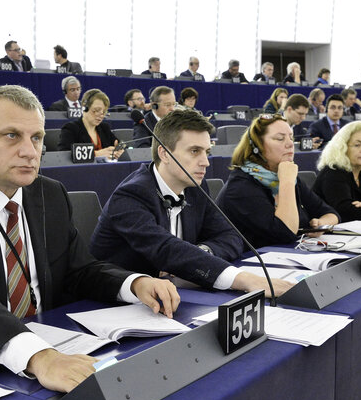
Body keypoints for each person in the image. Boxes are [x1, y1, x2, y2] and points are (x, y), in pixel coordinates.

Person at [0, 84, 180, 393]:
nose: (29, 151)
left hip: (44, 345)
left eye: (37, 138)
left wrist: (134, 284)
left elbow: (80, 269)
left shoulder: (49, 193)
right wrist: (40, 358)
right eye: (12, 135)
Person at [90, 109, 293, 297]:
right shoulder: (131, 194)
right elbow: (166, 250)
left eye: (207, 151)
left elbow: (231, 236)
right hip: (114, 304)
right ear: (164, 153)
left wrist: (201, 253)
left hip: (177, 298)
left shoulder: (196, 188)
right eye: (195, 151)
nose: (206, 162)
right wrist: (245, 279)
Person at [216, 114, 340, 249]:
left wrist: (320, 224)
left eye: (291, 137)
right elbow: (285, 232)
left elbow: (331, 213)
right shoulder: (241, 187)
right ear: (257, 146)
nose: (290, 144)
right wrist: (286, 182)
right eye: (280, 139)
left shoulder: (285, 176)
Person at [58, 89, 122, 158]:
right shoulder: (71, 128)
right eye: (97, 110)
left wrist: (119, 150)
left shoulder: (104, 128)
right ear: (85, 107)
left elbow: (120, 144)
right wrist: (95, 154)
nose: (101, 115)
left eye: (104, 112)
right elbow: (63, 154)